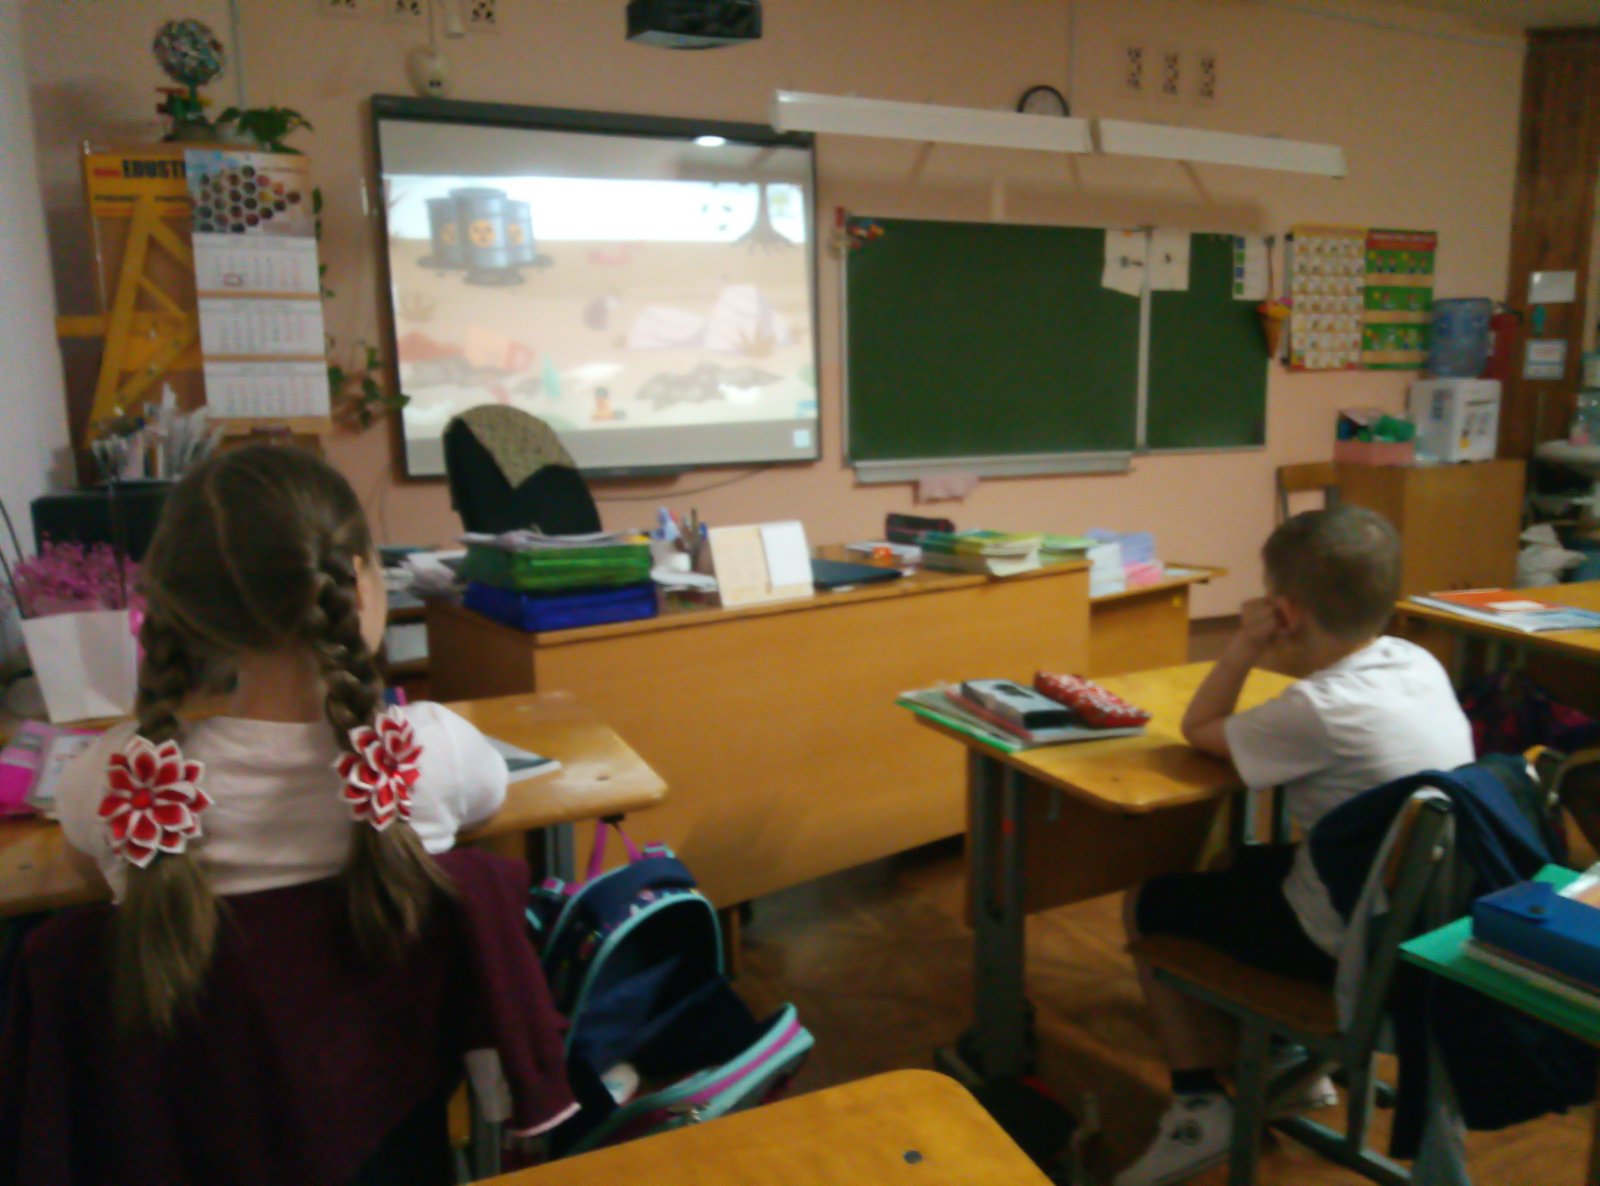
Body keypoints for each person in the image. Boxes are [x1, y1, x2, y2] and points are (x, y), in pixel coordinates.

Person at [55, 443, 508, 1035]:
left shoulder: (114, 779)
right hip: (402, 1089)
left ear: (184, 607)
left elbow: (83, 865)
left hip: (207, 1093)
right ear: (359, 585)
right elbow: (489, 802)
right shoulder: (431, 749)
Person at [1114, 506, 1473, 1186]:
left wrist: (1243, 645)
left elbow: (1199, 727)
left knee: (1148, 902)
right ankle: (1285, 1062)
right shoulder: (1418, 662)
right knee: (1234, 863)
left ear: (1285, 611)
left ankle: (1199, 1105)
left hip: (1346, 946)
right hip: (1418, 922)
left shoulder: (1316, 709)